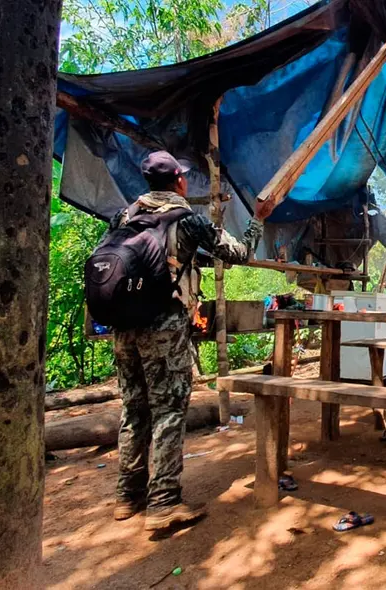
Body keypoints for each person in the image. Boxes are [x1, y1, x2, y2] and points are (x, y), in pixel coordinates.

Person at [108, 151, 263, 530]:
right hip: (163, 327)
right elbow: (238, 253)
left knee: (134, 408)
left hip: (123, 326)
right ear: (179, 181)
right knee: (168, 409)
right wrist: (257, 221)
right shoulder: (186, 221)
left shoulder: (123, 217)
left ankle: (128, 497)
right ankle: (163, 502)